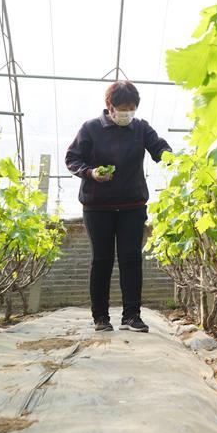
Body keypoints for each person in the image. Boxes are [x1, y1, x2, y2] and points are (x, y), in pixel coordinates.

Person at [65, 81, 171, 333]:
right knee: (102, 260)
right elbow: (72, 158)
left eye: (131, 109)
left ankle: (131, 315)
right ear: (109, 107)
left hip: (132, 204)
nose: (126, 113)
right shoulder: (90, 129)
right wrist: (90, 173)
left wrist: (168, 156)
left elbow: (159, 147)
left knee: (131, 259)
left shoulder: (141, 128)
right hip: (97, 206)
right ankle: (100, 317)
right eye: (122, 108)